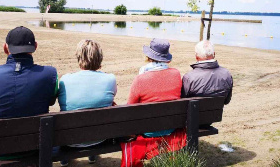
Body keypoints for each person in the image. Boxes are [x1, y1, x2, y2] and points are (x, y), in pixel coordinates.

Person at [0, 26, 58, 165]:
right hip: (34, 144)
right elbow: (51, 101)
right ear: (35, 47)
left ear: (5, 48)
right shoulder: (50, 74)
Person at [121, 38, 185, 167]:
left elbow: (130, 109)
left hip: (147, 131)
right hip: (171, 127)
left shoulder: (140, 79)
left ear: (149, 57)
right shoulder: (176, 74)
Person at [57, 39, 117, 166]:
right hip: (100, 138)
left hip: (69, 139)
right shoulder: (110, 79)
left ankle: (65, 157)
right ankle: (92, 154)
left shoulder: (65, 80)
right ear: (100, 58)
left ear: (79, 57)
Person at [181, 40, 233, 105]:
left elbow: (182, 102)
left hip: (194, 114)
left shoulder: (189, 78)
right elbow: (227, 101)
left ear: (196, 56)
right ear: (214, 54)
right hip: (216, 114)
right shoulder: (226, 74)